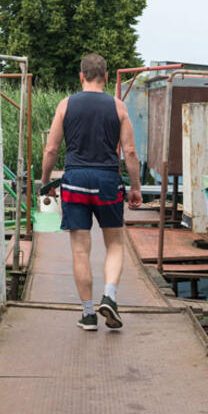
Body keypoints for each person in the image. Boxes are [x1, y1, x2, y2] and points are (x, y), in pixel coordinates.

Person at [41, 53, 142, 331]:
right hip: (108, 181)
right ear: (106, 78)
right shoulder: (118, 107)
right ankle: (109, 296)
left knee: (80, 250)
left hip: (74, 181)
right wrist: (135, 187)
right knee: (115, 244)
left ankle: (88, 315)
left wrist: (44, 180)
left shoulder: (65, 105)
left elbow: (51, 149)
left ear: (81, 76)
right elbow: (130, 152)